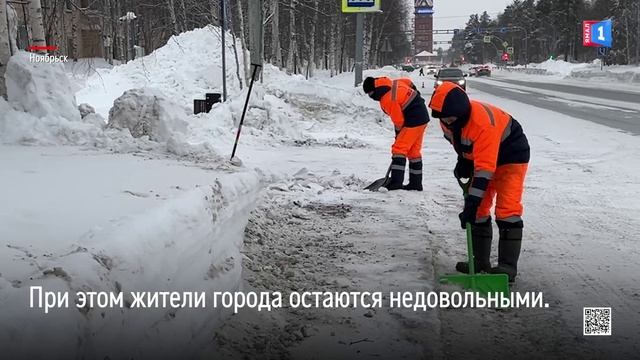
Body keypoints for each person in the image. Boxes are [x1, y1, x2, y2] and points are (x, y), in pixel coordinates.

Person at [428, 82, 530, 282]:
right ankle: (480, 261)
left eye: (449, 117)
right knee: (480, 210)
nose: (446, 122)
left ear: (460, 111)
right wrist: (463, 159)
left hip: (511, 155)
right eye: (442, 118)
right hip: (483, 157)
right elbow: (462, 142)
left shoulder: (482, 123)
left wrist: (471, 203)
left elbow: (485, 169)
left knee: (507, 209)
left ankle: (507, 267)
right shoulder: (447, 119)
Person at [363, 76, 430, 191]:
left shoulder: (388, 99)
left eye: (370, 94)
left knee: (399, 149)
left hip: (413, 119)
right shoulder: (393, 83)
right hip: (422, 116)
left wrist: (398, 133)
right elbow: (408, 82)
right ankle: (416, 184)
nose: (370, 96)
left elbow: (399, 121)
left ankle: (396, 183)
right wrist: (415, 92)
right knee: (413, 152)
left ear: (374, 90)